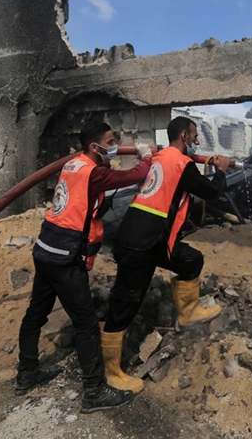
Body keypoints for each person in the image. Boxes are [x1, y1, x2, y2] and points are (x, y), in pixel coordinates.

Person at [16, 121, 154, 413]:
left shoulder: (73, 165)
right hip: (64, 257)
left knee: (35, 314)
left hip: (45, 248)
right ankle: (94, 391)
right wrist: (146, 157)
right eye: (110, 141)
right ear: (95, 147)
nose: (114, 145)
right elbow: (132, 176)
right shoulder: (93, 173)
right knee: (87, 323)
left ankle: (27, 373)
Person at [101, 116, 230, 391]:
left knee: (191, 259)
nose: (197, 142)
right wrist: (220, 170)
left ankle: (188, 312)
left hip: (153, 238)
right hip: (140, 241)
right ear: (183, 136)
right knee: (125, 303)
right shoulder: (180, 163)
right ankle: (110, 372)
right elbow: (211, 192)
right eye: (194, 136)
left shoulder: (162, 157)